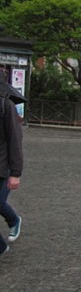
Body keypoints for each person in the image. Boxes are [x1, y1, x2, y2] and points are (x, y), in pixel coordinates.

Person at [0, 88, 23, 256]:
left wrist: (15, 172)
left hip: (3, 167)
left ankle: (14, 219)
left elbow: (15, 139)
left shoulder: (5, 105)